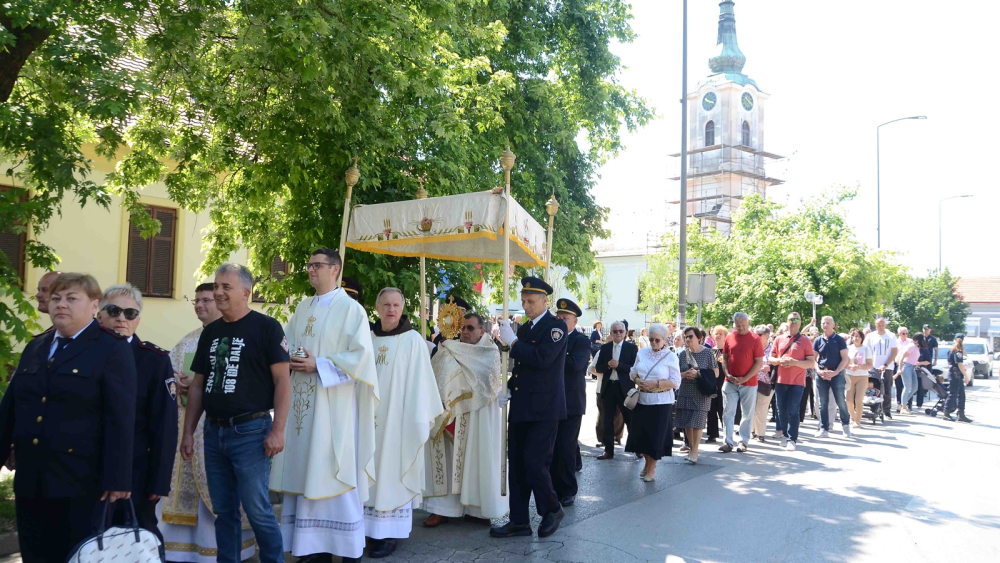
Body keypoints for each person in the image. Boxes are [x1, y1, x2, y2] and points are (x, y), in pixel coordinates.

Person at [0, 273, 137, 563]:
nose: (61, 305)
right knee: (36, 554)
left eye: (72, 298)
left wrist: (119, 478)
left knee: (76, 555)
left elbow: (121, 418)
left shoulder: (111, 348)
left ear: (94, 306)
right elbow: (11, 407)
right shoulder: (36, 347)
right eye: (56, 299)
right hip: (32, 477)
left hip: (81, 481)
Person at [270, 248, 378, 563]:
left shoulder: (352, 310)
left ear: (335, 270)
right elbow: (285, 345)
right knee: (304, 474)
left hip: (334, 412)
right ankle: (308, 549)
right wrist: (286, 359)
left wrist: (320, 364)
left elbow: (361, 359)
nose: (311, 270)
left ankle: (344, 549)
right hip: (301, 413)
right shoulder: (302, 308)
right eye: (309, 264)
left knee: (331, 471)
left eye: (317, 265)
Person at [182, 263, 290, 563]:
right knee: (224, 511)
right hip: (214, 433)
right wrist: (189, 432)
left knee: (257, 509)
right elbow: (198, 386)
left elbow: (283, 381)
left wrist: (277, 430)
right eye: (216, 286)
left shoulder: (267, 328)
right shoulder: (211, 333)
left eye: (225, 287)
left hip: (251, 433)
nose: (218, 292)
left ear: (246, 292)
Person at [161, 282, 257, 562]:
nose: (201, 305)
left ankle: (219, 552)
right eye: (197, 300)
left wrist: (197, 385)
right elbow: (169, 374)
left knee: (221, 496)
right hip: (188, 427)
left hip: (218, 428)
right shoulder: (187, 341)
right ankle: (185, 553)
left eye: (207, 300)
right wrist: (176, 384)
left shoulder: (234, 338)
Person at [96, 284, 178, 541]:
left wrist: (159, 480)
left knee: (137, 541)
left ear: (138, 320)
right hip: (89, 469)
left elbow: (165, 425)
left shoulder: (154, 361)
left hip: (137, 473)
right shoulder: (86, 354)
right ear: (99, 315)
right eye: (114, 310)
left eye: (130, 313)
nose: (122, 318)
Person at [364, 287, 443, 557]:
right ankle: (365, 529)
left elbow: (422, 387)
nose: (391, 310)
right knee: (369, 471)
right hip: (367, 421)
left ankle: (389, 533)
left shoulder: (412, 341)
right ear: (377, 307)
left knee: (391, 472)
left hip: (398, 422)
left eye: (396, 305)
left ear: (402, 307)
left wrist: (413, 418)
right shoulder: (367, 338)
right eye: (385, 304)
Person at [492, 277, 568, 539]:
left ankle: (552, 509)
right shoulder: (524, 330)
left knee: (535, 462)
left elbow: (542, 359)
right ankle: (519, 521)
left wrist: (513, 343)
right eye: (523, 301)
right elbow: (523, 369)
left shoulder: (555, 328)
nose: (525, 306)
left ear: (545, 301)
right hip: (523, 405)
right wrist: (510, 387)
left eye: (531, 301)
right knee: (517, 465)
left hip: (545, 408)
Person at [423, 312, 505, 525]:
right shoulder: (449, 347)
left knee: (477, 458)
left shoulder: (490, 352)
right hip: (452, 413)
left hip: (480, 414)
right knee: (449, 459)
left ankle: (477, 509)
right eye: (463, 328)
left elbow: (487, 383)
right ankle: (441, 508)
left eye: (470, 328)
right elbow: (437, 375)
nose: (465, 332)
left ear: (482, 331)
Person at [625, 323, 681, 481]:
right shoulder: (642, 352)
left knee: (656, 437)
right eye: (651, 339)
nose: (654, 343)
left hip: (661, 401)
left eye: (657, 340)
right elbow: (632, 372)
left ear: (664, 339)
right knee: (644, 436)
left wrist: (655, 384)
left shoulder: (671, 357)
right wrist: (638, 380)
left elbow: (676, 382)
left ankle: (651, 469)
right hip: (643, 400)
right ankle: (647, 464)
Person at [548, 299, 590, 506]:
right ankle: (553, 487)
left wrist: (553, 355)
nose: (561, 322)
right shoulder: (552, 337)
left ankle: (567, 490)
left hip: (571, 401)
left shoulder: (580, 341)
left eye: (565, 319)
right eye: (559, 318)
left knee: (566, 446)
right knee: (552, 446)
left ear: (574, 321)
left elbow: (575, 364)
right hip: (551, 400)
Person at [768, 311, 815, 451]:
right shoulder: (779, 339)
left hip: (797, 382)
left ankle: (792, 439)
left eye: (796, 319)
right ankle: (785, 434)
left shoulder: (805, 340)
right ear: (787, 322)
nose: (793, 321)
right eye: (791, 319)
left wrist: (794, 362)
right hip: (781, 380)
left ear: (800, 322)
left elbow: (811, 362)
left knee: (793, 410)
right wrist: (780, 361)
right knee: (780, 410)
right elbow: (771, 358)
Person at [719, 313, 764, 453]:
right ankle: (728, 442)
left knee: (747, 413)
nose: (741, 328)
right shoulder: (730, 337)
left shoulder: (755, 339)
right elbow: (724, 358)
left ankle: (743, 441)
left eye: (744, 325)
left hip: (749, 383)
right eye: (738, 325)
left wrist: (745, 378)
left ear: (748, 323)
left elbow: (759, 362)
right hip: (730, 381)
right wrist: (727, 373)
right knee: (728, 411)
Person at [595, 321, 638, 460]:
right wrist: (608, 365)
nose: (618, 333)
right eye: (615, 331)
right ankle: (608, 451)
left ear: (625, 333)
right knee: (607, 420)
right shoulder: (606, 348)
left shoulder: (632, 348)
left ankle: (637, 448)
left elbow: (634, 369)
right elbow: (598, 368)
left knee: (630, 420)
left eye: (621, 331)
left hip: (624, 388)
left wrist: (619, 365)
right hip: (609, 387)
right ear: (611, 333)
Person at [675, 327, 717, 464]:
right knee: (688, 423)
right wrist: (685, 374)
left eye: (690, 336)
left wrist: (699, 374)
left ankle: (694, 451)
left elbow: (715, 372)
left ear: (699, 338)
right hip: (685, 391)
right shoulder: (682, 354)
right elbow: (675, 375)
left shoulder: (707, 353)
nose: (687, 339)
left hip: (701, 392)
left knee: (698, 423)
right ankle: (692, 449)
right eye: (685, 337)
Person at [812, 316, 851, 438]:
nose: (825, 325)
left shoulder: (839, 340)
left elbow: (845, 359)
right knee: (822, 403)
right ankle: (824, 428)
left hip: (837, 374)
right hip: (822, 374)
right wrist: (818, 371)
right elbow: (813, 359)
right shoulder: (818, 340)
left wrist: (836, 372)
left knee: (840, 401)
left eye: (828, 323)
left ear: (833, 325)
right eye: (823, 323)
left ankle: (845, 425)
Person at [863, 318, 898, 419]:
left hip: (887, 367)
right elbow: (865, 350)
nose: (881, 327)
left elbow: (894, 352)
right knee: (873, 388)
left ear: (885, 325)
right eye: (879, 325)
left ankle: (886, 410)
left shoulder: (891, 336)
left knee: (887, 388)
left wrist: (886, 364)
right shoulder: (870, 336)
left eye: (883, 325)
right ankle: (874, 408)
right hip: (872, 367)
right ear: (875, 325)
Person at [845, 328, 874, 428]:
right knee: (848, 399)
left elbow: (870, 365)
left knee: (858, 399)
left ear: (861, 338)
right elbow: (844, 363)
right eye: (853, 336)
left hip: (862, 376)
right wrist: (850, 366)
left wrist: (859, 367)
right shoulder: (848, 348)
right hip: (849, 375)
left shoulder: (866, 349)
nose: (855, 338)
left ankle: (857, 420)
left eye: (857, 336)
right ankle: (852, 417)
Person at [750, 325, 774, 442]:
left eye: (758, 335)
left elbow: (778, 365)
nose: (756, 337)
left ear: (766, 335)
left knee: (761, 409)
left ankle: (760, 434)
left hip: (766, 384)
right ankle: (753, 431)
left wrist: (770, 367)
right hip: (752, 382)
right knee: (752, 408)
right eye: (754, 334)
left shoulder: (773, 349)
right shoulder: (752, 348)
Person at [942, 335, 973, 423]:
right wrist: (966, 376)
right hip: (956, 375)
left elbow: (949, 362)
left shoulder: (951, 350)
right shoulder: (957, 351)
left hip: (954, 374)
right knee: (953, 394)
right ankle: (946, 412)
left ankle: (961, 414)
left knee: (961, 395)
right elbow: (960, 364)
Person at [706, 325, 728, 443]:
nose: (718, 335)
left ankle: (727, 435)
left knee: (723, 410)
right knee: (711, 410)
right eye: (716, 333)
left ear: (725, 337)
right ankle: (712, 434)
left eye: (721, 334)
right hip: (712, 384)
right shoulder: (711, 351)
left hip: (725, 383)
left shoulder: (729, 351)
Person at [894, 326, 920, 415]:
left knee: (913, 387)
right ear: (899, 334)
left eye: (906, 333)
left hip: (910, 366)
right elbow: (900, 356)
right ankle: (902, 406)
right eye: (903, 333)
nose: (905, 335)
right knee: (900, 386)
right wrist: (899, 369)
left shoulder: (911, 342)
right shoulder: (896, 342)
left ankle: (904, 404)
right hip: (901, 364)